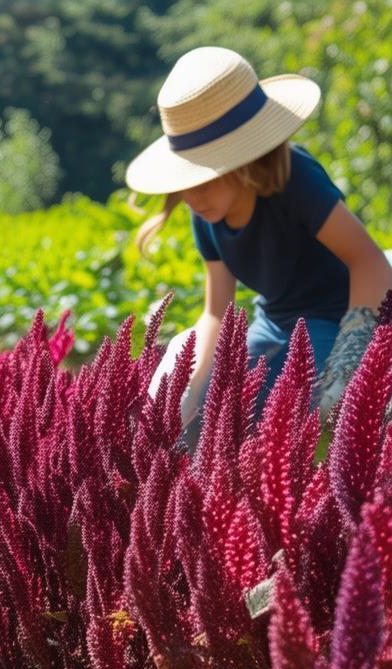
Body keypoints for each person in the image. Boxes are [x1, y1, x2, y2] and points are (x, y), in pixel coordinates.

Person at [126, 46, 392, 433]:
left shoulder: (295, 179)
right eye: (185, 182)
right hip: (275, 322)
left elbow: (368, 261)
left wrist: (351, 355)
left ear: (245, 157)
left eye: (206, 177)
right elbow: (217, 311)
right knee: (214, 418)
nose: (193, 197)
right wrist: (191, 387)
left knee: (303, 418)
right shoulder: (205, 214)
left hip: (337, 314)